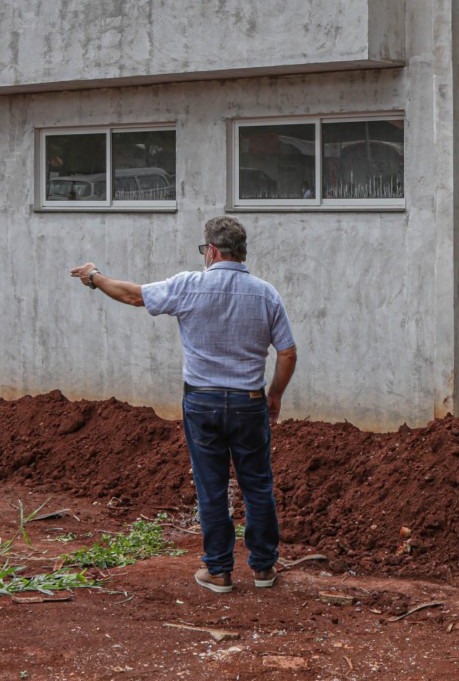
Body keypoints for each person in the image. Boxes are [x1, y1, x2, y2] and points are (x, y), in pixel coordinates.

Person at [70, 216, 297, 594]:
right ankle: (263, 568)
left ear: (211, 250)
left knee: (212, 488)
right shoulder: (265, 294)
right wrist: (274, 396)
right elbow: (287, 352)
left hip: (203, 402)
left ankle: (220, 571)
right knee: (258, 486)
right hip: (248, 402)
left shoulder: (189, 286)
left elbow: (133, 295)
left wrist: (95, 277)